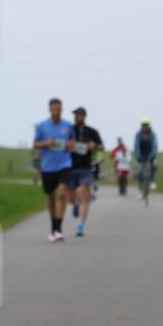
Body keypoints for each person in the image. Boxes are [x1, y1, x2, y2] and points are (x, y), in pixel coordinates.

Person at [33, 98, 74, 241]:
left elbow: (72, 142)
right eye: (54, 109)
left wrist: (71, 145)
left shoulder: (68, 125)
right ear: (50, 109)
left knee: (62, 192)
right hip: (48, 166)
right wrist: (46, 143)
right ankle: (53, 226)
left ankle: (59, 227)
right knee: (50, 197)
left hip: (64, 164)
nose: (57, 112)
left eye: (59, 109)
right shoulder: (42, 126)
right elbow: (36, 144)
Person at [68, 107, 103, 237]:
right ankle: (75, 204)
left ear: (84, 116)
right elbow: (61, 143)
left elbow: (101, 146)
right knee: (71, 198)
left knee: (85, 195)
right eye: (75, 115)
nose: (76, 117)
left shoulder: (92, 131)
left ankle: (80, 225)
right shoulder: (69, 130)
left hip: (86, 168)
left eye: (78, 115)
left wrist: (94, 146)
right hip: (70, 167)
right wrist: (69, 145)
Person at [134, 117, 159, 195]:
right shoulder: (138, 134)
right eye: (143, 125)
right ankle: (141, 183)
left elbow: (154, 146)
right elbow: (136, 145)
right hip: (141, 154)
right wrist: (138, 155)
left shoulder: (152, 134)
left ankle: (152, 182)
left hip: (150, 154)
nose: (144, 126)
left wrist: (152, 156)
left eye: (146, 125)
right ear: (141, 126)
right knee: (139, 170)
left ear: (149, 125)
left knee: (154, 166)